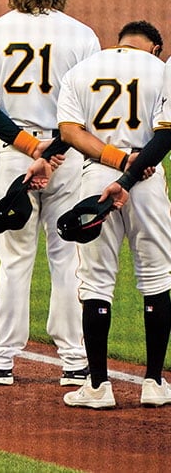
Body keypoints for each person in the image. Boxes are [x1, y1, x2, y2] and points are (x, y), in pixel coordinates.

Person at [0, 0, 97, 387]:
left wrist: (32, 148)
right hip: (68, 157)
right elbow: (87, 112)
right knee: (66, 258)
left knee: (15, 259)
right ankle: (75, 360)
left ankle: (2, 359)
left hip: (16, 156)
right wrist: (54, 150)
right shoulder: (82, 36)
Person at [56, 21, 171, 409]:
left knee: (95, 281)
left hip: (96, 180)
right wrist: (134, 168)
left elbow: (70, 131)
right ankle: (154, 383)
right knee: (156, 277)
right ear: (154, 47)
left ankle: (98, 386)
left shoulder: (83, 69)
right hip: (147, 179)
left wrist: (116, 160)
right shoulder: (162, 69)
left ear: (118, 42)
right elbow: (166, 132)